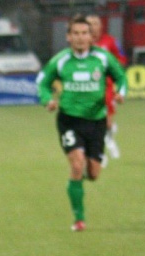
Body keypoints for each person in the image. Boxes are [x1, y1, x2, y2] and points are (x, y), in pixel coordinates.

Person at [36, 14, 127, 231]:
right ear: (68, 37)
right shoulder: (61, 60)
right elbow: (43, 83)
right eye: (75, 33)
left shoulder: (102, 58)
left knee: (93, 174)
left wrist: (121, 92)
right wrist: (47, 100)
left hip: (96, 122)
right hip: (69, 121)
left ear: (91, 36)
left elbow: (121, 77)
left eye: (84, 33)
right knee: (77, 166)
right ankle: (79, 219)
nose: (80, 37)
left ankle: (86, 166)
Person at [87, 14, 127, 162]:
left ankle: (109, 139)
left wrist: (114, 68)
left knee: (108, 122)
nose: (92, 26)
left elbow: (122, 58)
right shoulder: (84, 44)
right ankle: (99, 153)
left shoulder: (110, 41)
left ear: (100, 26)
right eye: (89, 24)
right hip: (89, 88)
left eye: (95, 23)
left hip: (107, 88)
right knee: (92, 121)